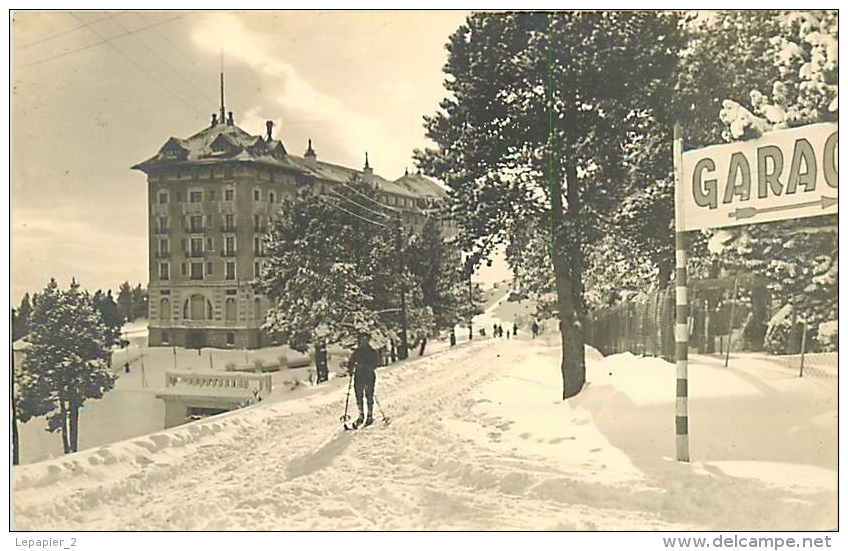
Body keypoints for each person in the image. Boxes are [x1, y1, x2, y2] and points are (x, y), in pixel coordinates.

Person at [347, 332, 381, 428]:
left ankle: (370, 416)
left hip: (369, 376)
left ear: (368, 340)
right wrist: (350, 369)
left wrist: (365, 366)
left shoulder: (373, 352)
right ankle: (361, 415)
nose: (363, 341)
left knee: (369, 396)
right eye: (362, 339)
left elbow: (375, 364)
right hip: (358, 376)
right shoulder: (357, 352)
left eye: (365, 339)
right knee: (359, 396)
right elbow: (351, 362)